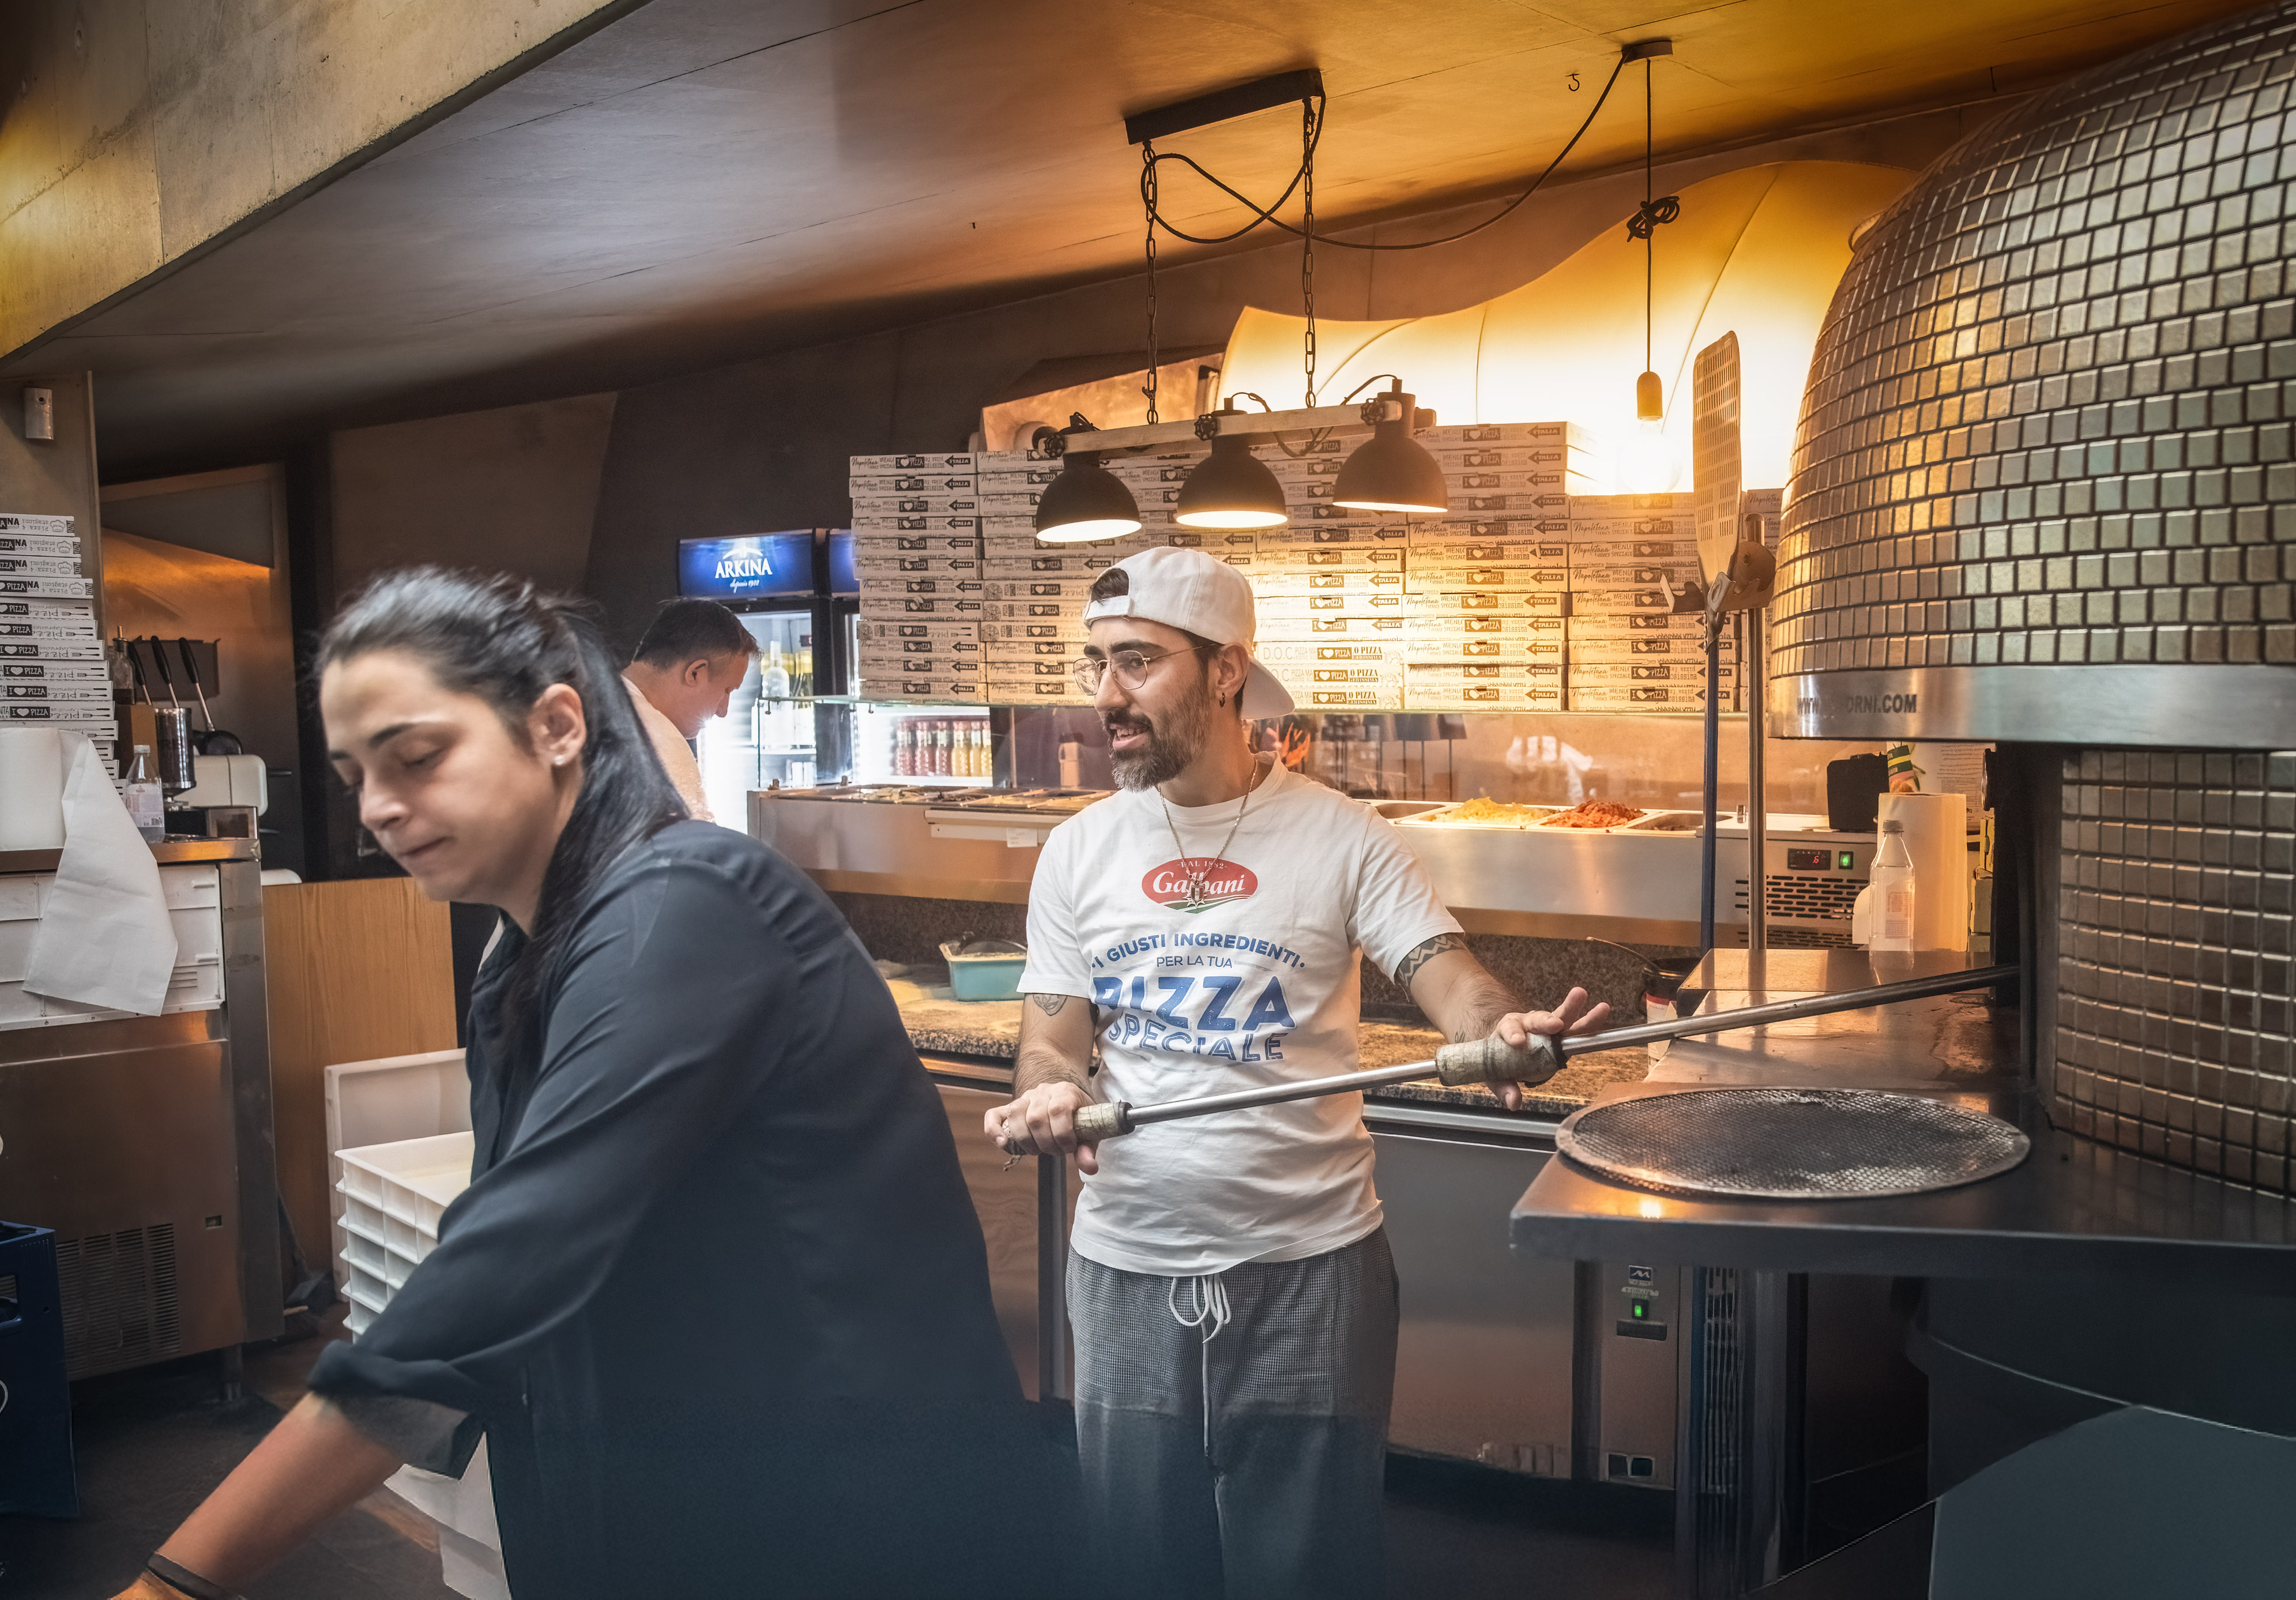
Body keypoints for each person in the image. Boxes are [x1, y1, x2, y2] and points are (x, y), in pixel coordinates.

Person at [116, 569, 1067, 1600]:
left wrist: (175, 1584)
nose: (380, 806)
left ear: (558, 726)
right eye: (356, 775)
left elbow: (507, 1262)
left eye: (418, 757)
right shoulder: (533, 947)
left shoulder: (691, 906)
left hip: (843, 1512)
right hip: (664, 1493)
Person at [987, 546, 1609, 1600]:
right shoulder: (1078, 849)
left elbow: (1449, 977)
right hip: (1127, 1268)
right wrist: (1052, 1088)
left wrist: (1501, 1028)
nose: (1106, 696)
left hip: (1311, 1272)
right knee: (1140, 1567)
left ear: (1227, 669)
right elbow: (1051, 1036)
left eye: (1137, 662)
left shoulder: (1343, 836)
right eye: (1098, 663)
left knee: (1309, 1570)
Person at [620, 596, 754, 820]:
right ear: (695, 673)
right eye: (727, 690)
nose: (723, 711)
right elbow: (698, 840)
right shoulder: (657, 740)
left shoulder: (591, 702)